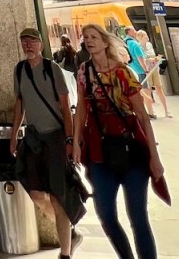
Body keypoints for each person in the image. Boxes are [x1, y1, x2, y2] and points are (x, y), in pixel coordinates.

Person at [73, 24, 163, 259]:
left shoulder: (122, 72)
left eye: (94, 37)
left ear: (105, 42)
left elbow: (142, 116)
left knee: (138, 217)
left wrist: (154, 157)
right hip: (100, 150)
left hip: (130, 148)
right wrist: (75, 141)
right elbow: (81, 109)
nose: (89, 40)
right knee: (105, 214)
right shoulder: (83, 71)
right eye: (85, 37)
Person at [10, 27, 84, 259]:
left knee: (57, 196)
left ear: (41, 45)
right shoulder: (19, 70)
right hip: (34, 139)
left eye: (32, 41)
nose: (28, 45)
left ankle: (65, 252)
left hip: (56, 137)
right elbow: (19, 105)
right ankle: (69, 229)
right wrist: (14, 135)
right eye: (24, 41)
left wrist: (69, 140)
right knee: (35, 193)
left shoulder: (53, 70)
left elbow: (65, 108)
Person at [135, 30, 170, 119]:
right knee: (148, 89)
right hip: (147, 69)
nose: (146, 37)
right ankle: (150, 111)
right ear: (140, 37)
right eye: (144, 35)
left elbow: (151, 55)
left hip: (154, 67)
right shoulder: (138, 46)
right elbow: (141, 59)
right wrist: (149, 60)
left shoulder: (149, 45)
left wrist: (156, 58)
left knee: (159, 87)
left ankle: (166, 110)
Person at [123, 27, 155, 118]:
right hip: (140, 70)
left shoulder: (124, 43)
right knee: (145, 91)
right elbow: (140, 58)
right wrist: (146, 70)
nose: (135, 32)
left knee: (137, 92)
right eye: (133, 30)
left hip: (131, 70)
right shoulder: (135, 44)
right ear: (129, 32)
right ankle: (150, 112)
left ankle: (140, 111)